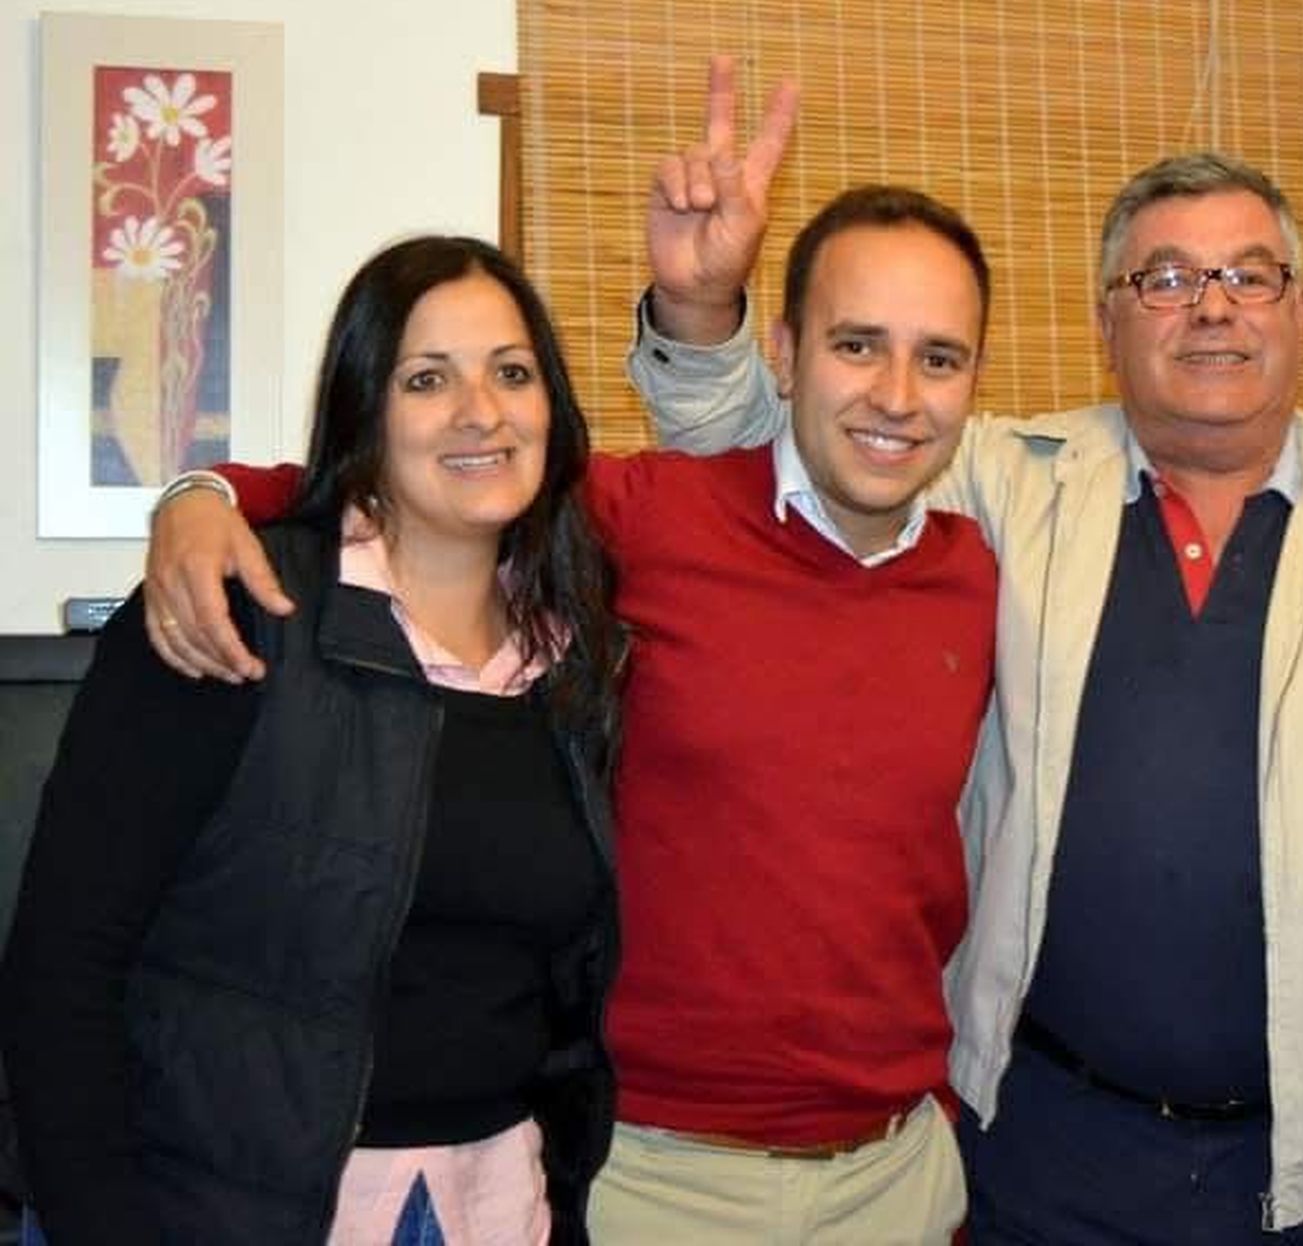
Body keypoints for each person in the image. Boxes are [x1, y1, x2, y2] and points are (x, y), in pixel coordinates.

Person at [623, 149, 1303, 1244]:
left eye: (1251, 274)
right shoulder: (997, 482)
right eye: (1165, 279)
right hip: (1044, 1149)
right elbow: (782, 448)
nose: (1212, 307)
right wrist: (700, 311)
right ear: (1105, 322)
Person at [132, 60, 998, 1246]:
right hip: (654, 1172)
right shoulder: (653, 514)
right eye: (857, 345)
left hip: (894, 1170)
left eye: (938, 358)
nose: (897, 395)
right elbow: (415, 482)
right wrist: (201, 488)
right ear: (785, 353)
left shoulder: (982, 570)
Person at [0, 236, 625, 1244]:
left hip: (496, 1202)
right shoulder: (236, 612)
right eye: (428, 378)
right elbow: (61, 966)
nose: (481, 410)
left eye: (511, 371)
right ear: (364, 410)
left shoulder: (577, 652)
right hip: (231, 1205)